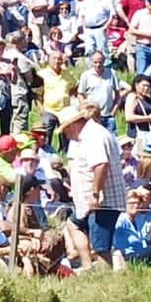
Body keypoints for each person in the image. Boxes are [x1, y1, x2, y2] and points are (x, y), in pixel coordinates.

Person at [60, 101, 126, 268]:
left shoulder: (94, 135)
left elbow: (100, 165)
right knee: (73, 224)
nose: (66, 135)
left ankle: (105, 283)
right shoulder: (88, 135)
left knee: (100, 247)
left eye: (65, 130)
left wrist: (95, 194)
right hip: (89, 202)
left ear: (73, 125)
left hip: (102, 201)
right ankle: (88, 266)